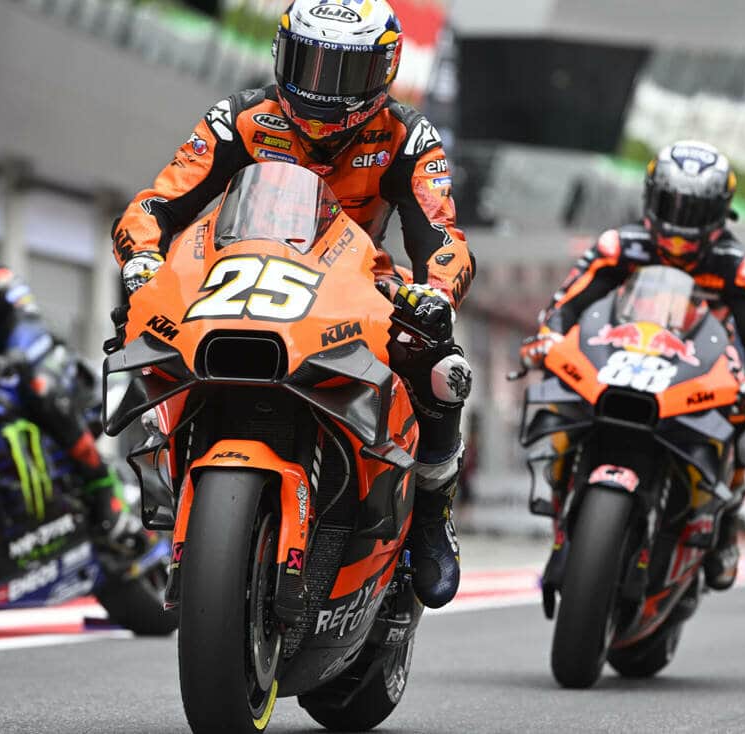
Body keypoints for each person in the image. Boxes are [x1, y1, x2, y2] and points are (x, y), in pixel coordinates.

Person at [112, 0, 474, 609]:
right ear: (282, 55)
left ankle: (433, 513)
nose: (322, 88)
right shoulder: (238, 118)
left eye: (344, 71)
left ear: (384, 71)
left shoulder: (408, 136)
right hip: (239, 274)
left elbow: (442, 234)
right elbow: (156, 204)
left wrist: (435, 291)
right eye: (310, 63)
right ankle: (160, 463)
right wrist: (142, 258)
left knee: (441, 367)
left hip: (354, 285)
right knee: (138, 321)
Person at [519, 140, 745, 591]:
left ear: (720, 213)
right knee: (560, 389)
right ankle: (561, 502)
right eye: (671, 204)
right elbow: (566, 305)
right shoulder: (618, 246)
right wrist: (549, 337)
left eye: (695, 210)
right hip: (622, 354)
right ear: (650, 198)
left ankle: (723, 525)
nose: (681, 223)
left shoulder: (739, 267)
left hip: (700, 364)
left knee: (743, 420)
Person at [0, 209, 132, 544]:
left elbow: (27, 318)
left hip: (32, 358)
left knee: (41, 390)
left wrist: (10, 358)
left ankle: (102, 484)